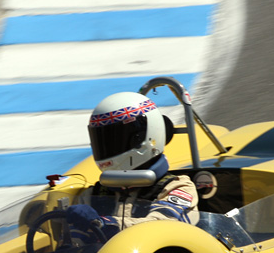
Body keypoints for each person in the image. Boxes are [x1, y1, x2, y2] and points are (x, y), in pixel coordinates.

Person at [65, 91, 199, 241]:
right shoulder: (90, 196)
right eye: (102, 140)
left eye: (115, 139)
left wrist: (105, 224)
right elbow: (76, 248)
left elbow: (162, 228)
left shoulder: (179, 187)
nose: (107, 146)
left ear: (143, 138)